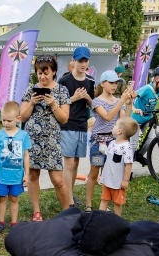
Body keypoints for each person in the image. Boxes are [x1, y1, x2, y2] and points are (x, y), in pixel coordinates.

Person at [20, 55, 71, 221]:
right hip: (32, 140)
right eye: (39, 73)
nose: (42, 77)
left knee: (58, 180)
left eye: (45, 72)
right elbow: (22, 117)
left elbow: (64, 119)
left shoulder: (62, 90)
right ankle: (37, 211)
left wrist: (53, 104)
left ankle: (67, 213)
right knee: (33, 176)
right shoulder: (30, 91)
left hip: (51, 141)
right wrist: (32, 103)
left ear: (54, 72)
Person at [86, 70, 132, 211]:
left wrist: (129, 103)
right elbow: (107, 117)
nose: (114, 86)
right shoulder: (97, 101)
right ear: (103, 83)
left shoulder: (118, 101)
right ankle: (88, 204)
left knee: (109, 172)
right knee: (94, 173)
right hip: (98, 141)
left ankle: (104, 202)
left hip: (113, 141)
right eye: (111, 83)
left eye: (116, 83)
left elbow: (124, 121)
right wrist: (122, 101)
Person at [58, 46, 95, 208]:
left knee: (77, 163)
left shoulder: (90, 82)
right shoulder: (64, 81)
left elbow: (94, 105)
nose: (83, 64)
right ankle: (68, 201)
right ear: (73, 60)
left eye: (85, 61)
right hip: (67, 124)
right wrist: (72, 98)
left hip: (82, 125)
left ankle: (69, 195)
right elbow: (56, 104)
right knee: (69, 163)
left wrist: (87, 98)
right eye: (80, 60)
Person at [0, 101, 31, 235]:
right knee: (2, 199)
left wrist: (27, 174)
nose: (5, 123)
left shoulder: (23, 136)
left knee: (14, 199)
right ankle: (0, 224)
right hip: (1, 176)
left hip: (16, 177)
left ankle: (14, 224)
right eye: (3, 120)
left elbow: (26, 156)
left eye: (9, 120)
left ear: (18, 119)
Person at [129, 66, 159, 160]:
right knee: (133, 144)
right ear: (157, 78)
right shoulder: (146, 89)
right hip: (135, 119)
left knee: (150, 141)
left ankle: (137, 156)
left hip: (148, 119)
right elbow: (129, 98)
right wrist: (134, 109)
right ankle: (127, 166)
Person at [99, 117, 138, 216]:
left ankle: (118, 220)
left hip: (117, 181)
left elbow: (128, 164)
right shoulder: (112, 143)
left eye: (115, 125)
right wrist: (103, 148)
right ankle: (99, 218)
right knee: (104, 199)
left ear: (119, 131)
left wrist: (125, 180)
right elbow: (108, 155)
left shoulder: (126, 147)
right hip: (107, 178)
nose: (113, 126)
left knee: (117, 202)